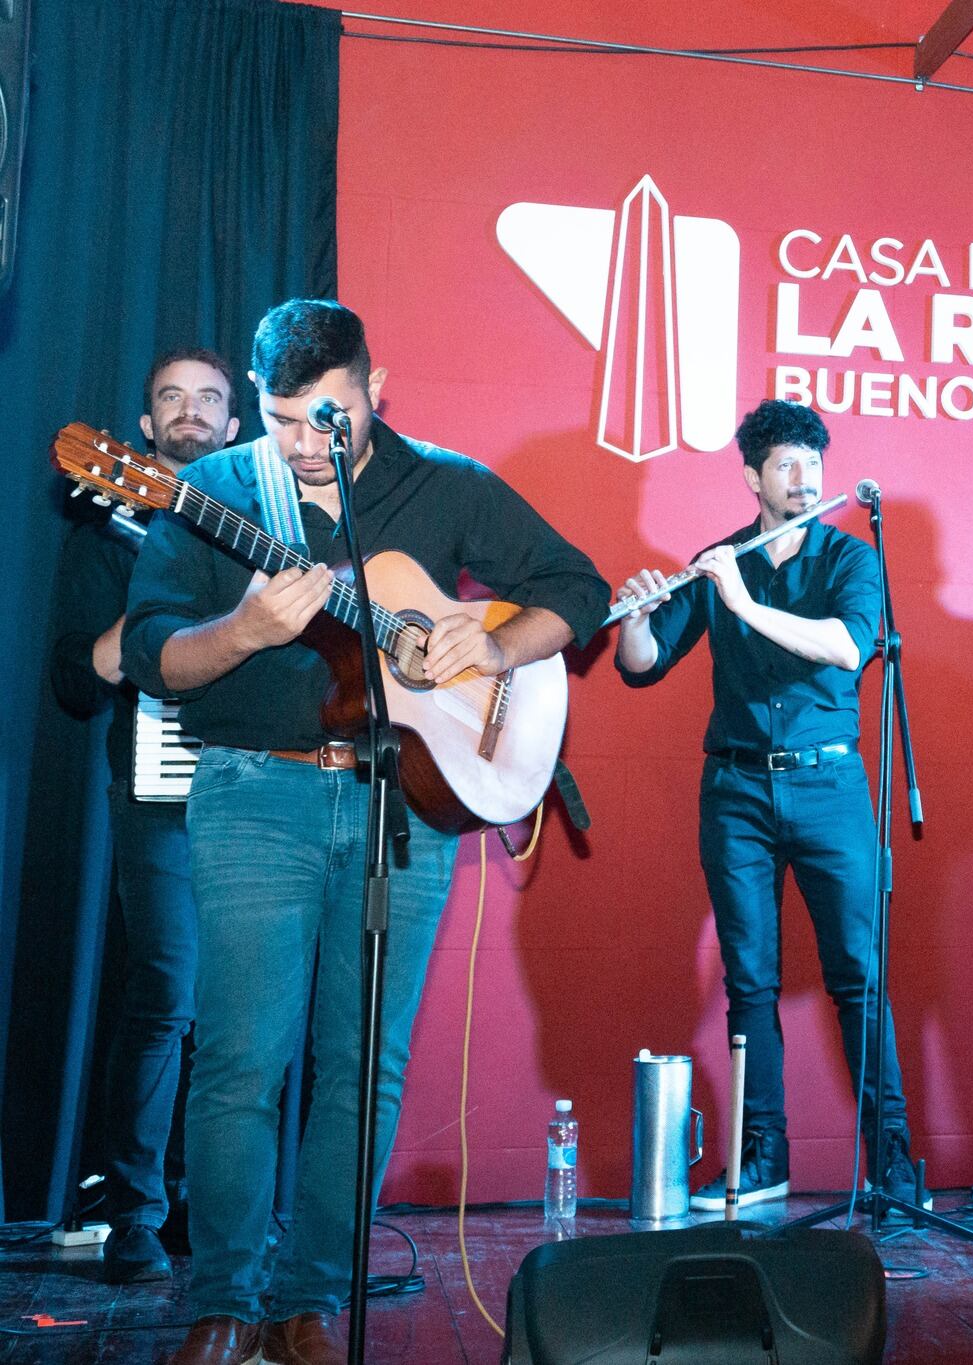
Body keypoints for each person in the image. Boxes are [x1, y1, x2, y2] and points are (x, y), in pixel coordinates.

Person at [123, 300, 608, 1365]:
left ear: (374, 390)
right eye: (283, 419)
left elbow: (579, 588)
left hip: (402, 804)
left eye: (328, 419)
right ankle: (223, 1301)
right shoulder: (212, 492)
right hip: (255, 794)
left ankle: (310, 1301)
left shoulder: (445, 484)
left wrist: (491, 651)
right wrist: (243, 629)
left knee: (361, 1067)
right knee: (241, 1061)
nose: (305, 443)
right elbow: (154, 655)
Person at [614, 398, 921, 1214]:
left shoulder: (851, 559)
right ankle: (763, 1156)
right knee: (749, 980)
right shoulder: (718, 560)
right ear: (753, 477)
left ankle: (892, 1161)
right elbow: (642, 664)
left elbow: (848, 647)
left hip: (830, 787)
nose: (804, 478)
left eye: (812, 463)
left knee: (859, 974)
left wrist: (745, 604)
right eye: (787, 464)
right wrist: (637, 620)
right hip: (738, 791)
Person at [47, 348, 240, 1284]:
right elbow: (74, 681)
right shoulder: (107, 537)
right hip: (161, 786)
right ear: (146, 426)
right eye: (171, 397)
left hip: (259, 793)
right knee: (166, 993)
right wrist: (151, 599)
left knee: (243, 1012)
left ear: (235, 427)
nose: (189, 412)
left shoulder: (266, 528)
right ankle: (135, 1213)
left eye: (208, 399)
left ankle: (219, 1205)